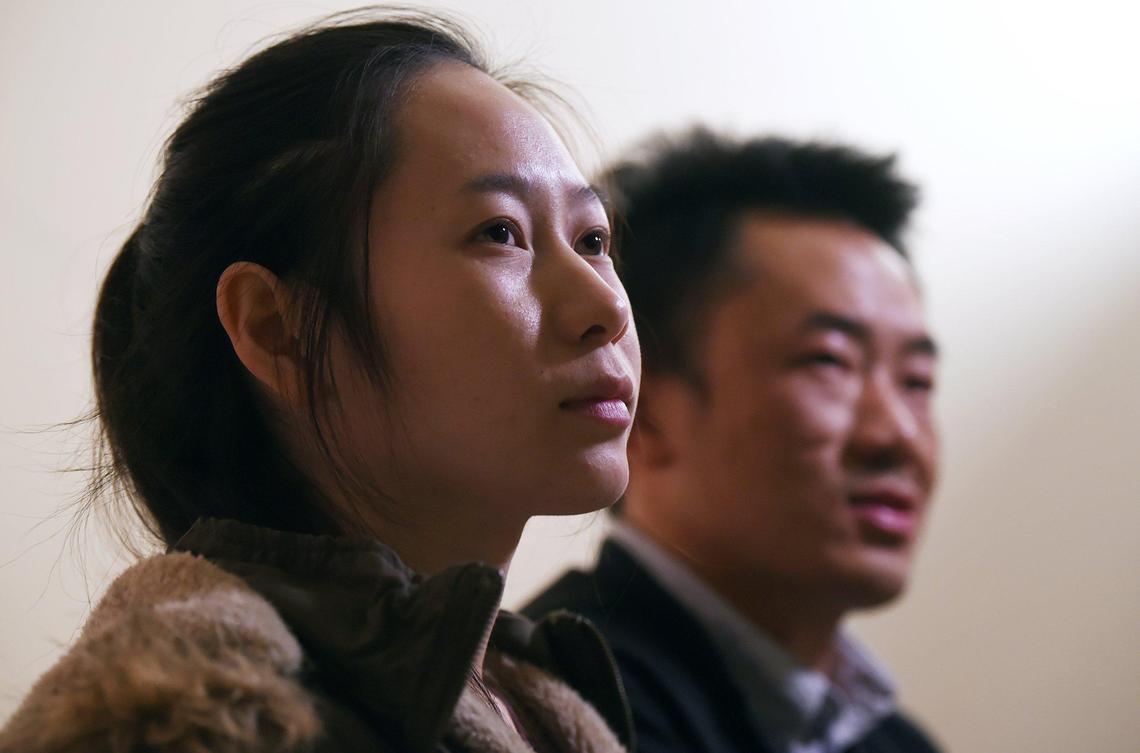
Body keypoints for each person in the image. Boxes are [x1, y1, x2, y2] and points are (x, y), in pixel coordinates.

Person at [0, 11, 640, 753]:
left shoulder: (536, 707)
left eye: (593, 240)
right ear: (278, 328)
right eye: (499, 232)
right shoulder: (184, 721)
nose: (609, 305)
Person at [526, 129, 942, 753]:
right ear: (645, 411)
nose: (897, 436)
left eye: (916, 380)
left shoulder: (895, 740)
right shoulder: (549, 704)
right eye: (829, 362)